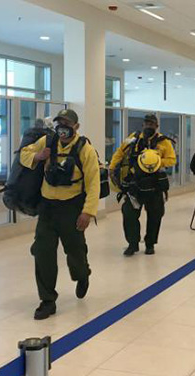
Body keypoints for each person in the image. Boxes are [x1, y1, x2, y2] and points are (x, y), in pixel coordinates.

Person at [20, 109, 100, 320]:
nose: (62, 126)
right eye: (59, 122)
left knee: (75, 252)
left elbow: (93, 184)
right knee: (43, 252)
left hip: (72, 208)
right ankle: (47, 300)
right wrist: (38, 156)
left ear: (76, 126)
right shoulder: (48, 141)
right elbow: (23, 153)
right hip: (47, 208)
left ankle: (82, 275)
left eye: (67, 123)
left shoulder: (85, 149)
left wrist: (88, 212)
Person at [110, 114, 176, 256]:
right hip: (135, 184)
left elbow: (171, 160)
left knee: (155, 215)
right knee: (129, 213)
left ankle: (150, 244)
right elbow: (119, 153)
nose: (148, 126)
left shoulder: (163, 142)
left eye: (151, 124)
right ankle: (132, 243)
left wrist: (155, 162)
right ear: (143, 125)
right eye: (147, 124)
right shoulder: (133, 138)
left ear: (156, 126)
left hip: (155, 184)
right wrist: (112, 167)